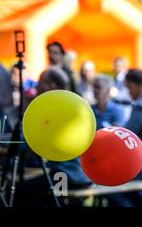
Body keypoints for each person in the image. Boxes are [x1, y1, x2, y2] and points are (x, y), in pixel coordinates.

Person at [15, 67, 92, 206]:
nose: (37, 86)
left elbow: (30, 143)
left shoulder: (56, 111)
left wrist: (9, 142)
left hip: (66, 175)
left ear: (52, 85)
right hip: (80, 175)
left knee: (19, 191)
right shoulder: (74, 104)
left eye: (41, 82)